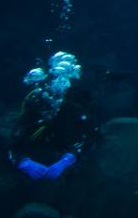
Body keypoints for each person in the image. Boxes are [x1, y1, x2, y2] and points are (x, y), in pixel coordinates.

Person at [8, 50, 98, 180]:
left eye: (55, 99)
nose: (51, 105)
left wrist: (69, 158)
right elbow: (14, 143)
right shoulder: (34, 108)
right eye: (47, 101)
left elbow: (90, 135)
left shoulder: (73, 110)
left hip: (66, 153)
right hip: (38, 153)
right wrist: (23, 162)